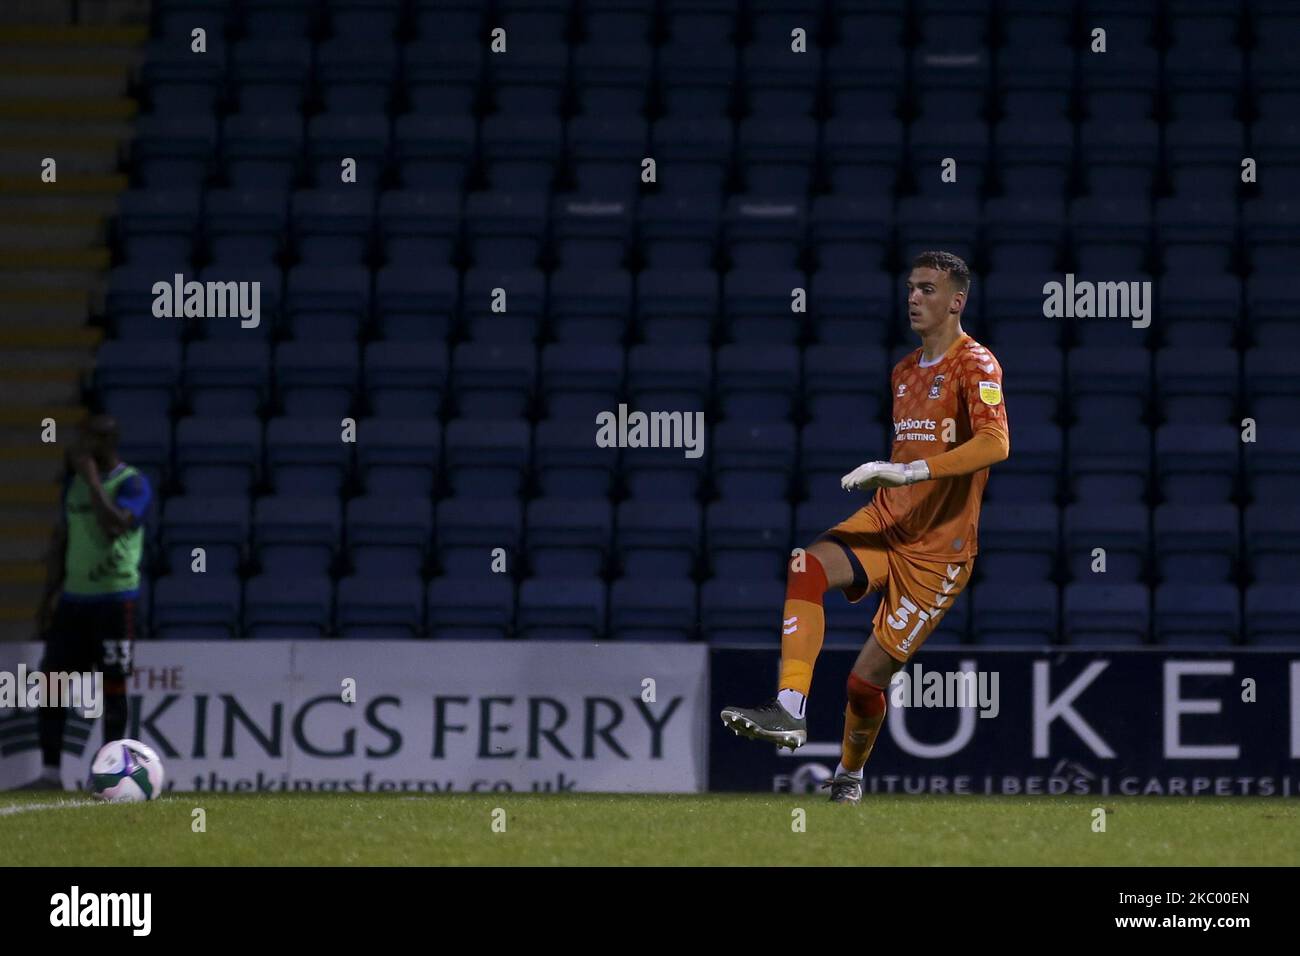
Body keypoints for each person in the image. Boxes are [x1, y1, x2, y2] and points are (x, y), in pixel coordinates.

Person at [719, 251, 1011, 804]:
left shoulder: (978, 365)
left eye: (927, 289)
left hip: (938, 554)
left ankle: (849, 778)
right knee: (806, 566)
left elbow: (996, 443)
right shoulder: (902, 372)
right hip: (887, 520)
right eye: (910, 288)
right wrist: (897, 477)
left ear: (957, 300)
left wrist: (908, 470)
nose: (914, 298)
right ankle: (790, 708)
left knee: (863, 683)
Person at [20, 414, 152, 790]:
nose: (80, 446)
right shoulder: (73, 484)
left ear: (107, 442)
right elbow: (64, 540)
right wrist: (49, 597)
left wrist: (93, 479)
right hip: (74, 602)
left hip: (115, 601)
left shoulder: (133, 483)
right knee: (52, 683)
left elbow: (116, 525)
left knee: (113, 686)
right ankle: (50, 774)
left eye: (88, 439)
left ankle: (109, 775)